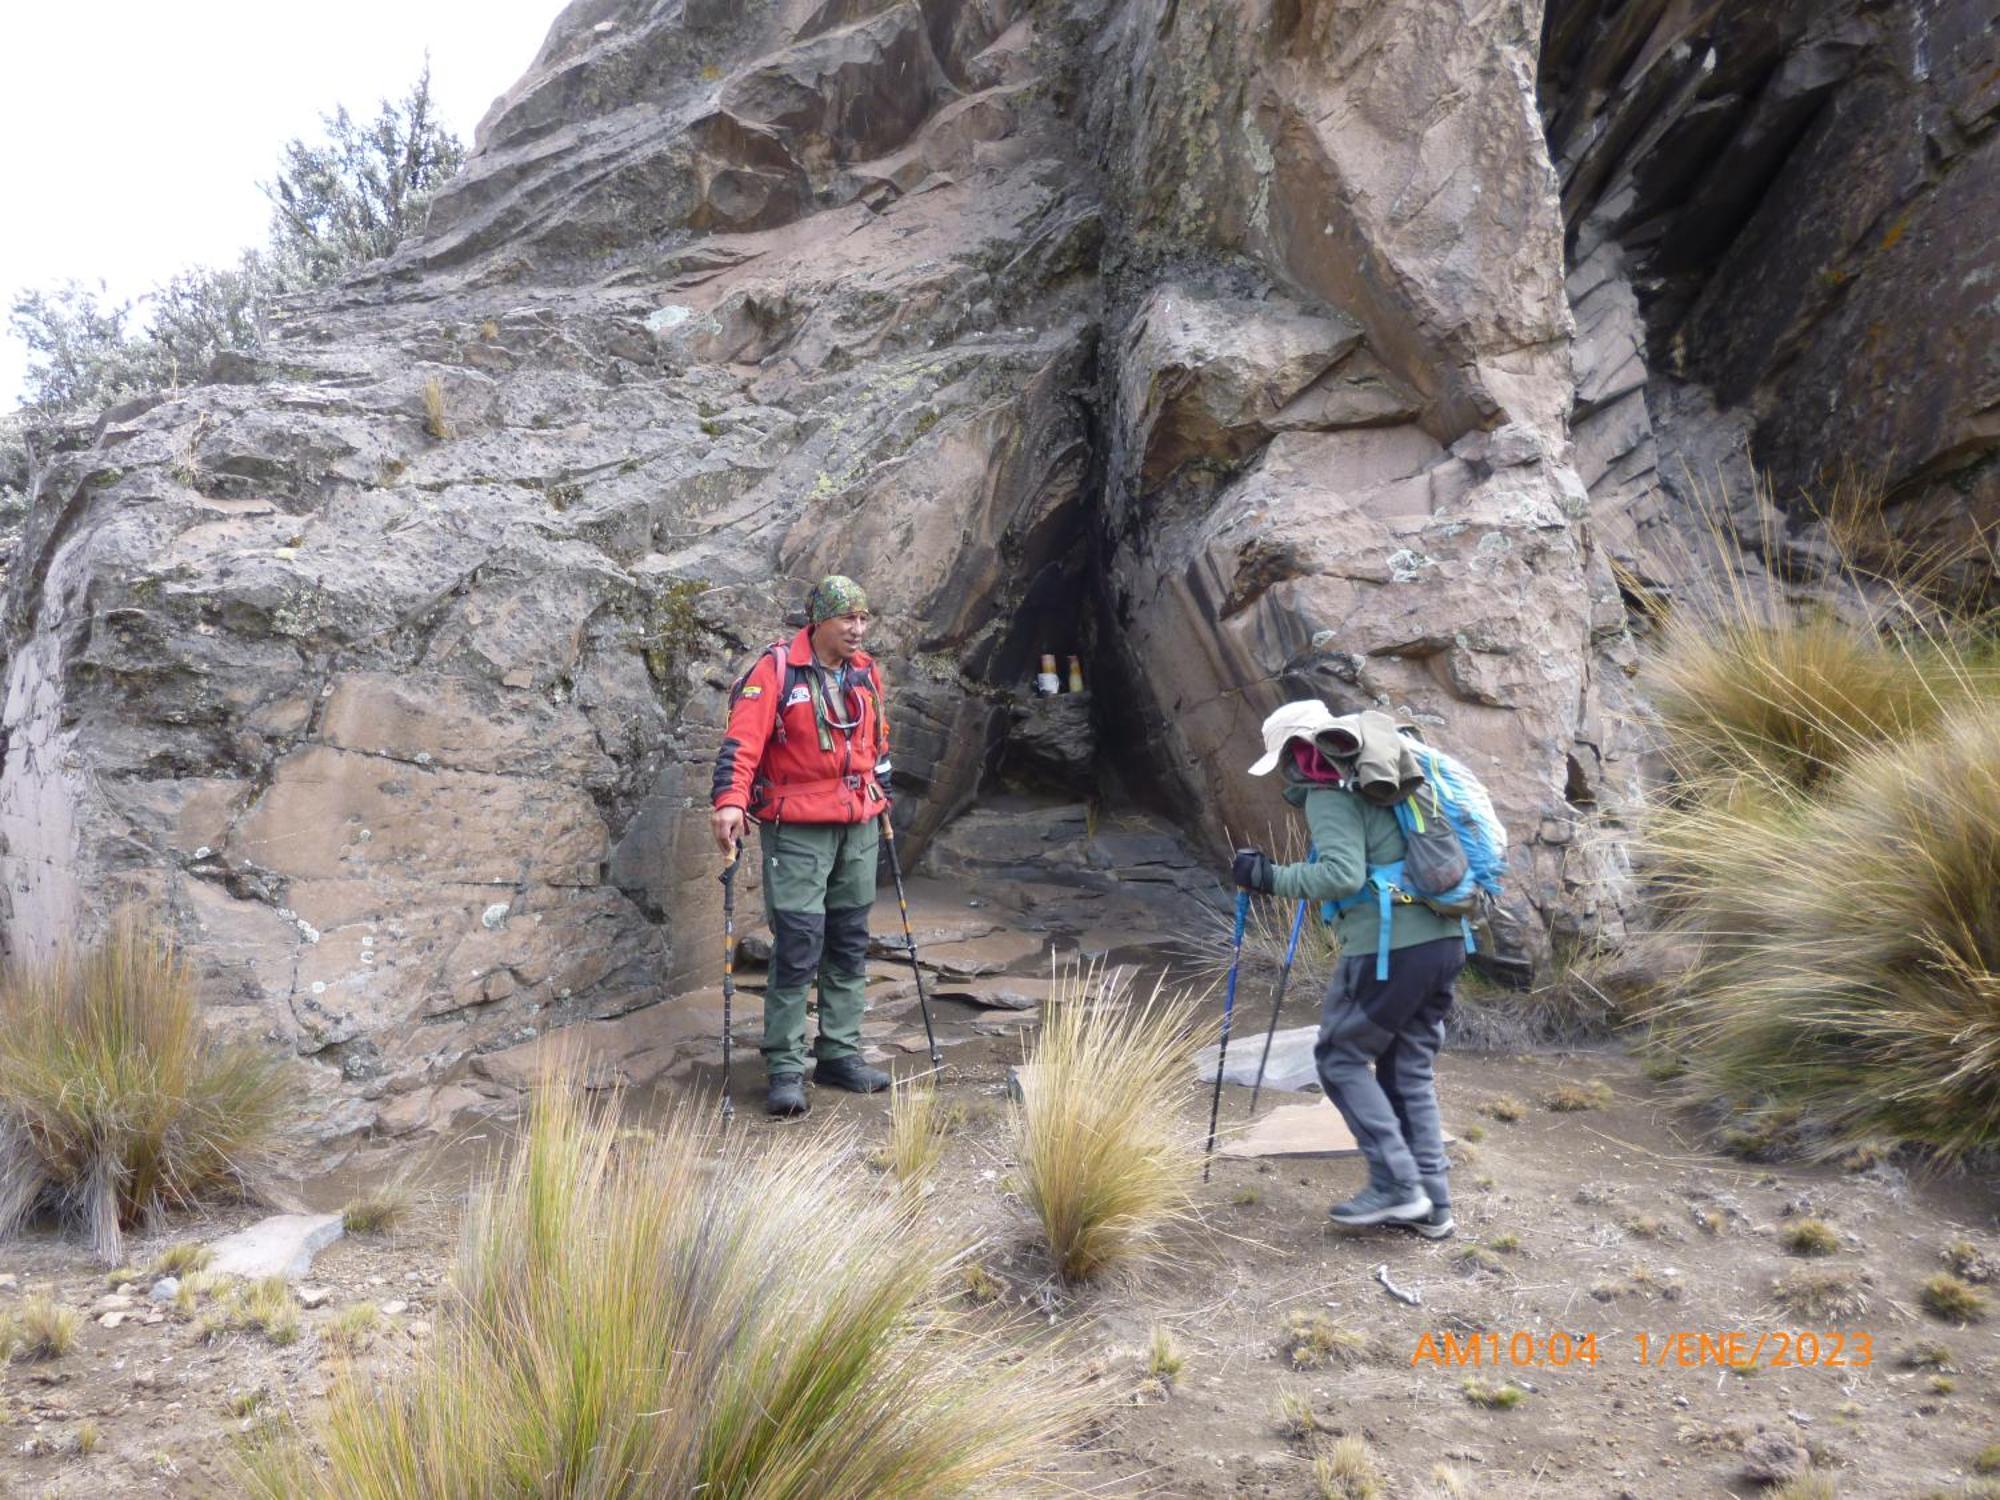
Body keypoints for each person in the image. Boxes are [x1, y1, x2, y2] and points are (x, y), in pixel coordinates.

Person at [1230, 701, 1462, 1238]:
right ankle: (1433, 1204)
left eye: (1287, 759)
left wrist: (1269, 879)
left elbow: (1339, 875)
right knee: (1407, 1069)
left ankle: (1397, 1186)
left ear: (1298, 753)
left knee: (1339, 1058)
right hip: (1446, 938)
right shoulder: (1394, 777)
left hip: (1389, 948)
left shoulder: (1330, 794)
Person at [711, 576, 893, 1116]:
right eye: (847, 620)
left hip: (858, 823)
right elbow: (741, 743)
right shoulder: (775, 671)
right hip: (798, 830)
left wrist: (885, 796)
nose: (858, 629)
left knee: (849, 941)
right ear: (820, 621)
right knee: (797, 945)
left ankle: (839, 1053)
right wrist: (729, 801)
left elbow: (878, 742)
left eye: (863, 618)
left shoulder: (864, 671)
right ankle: (785, 1068)